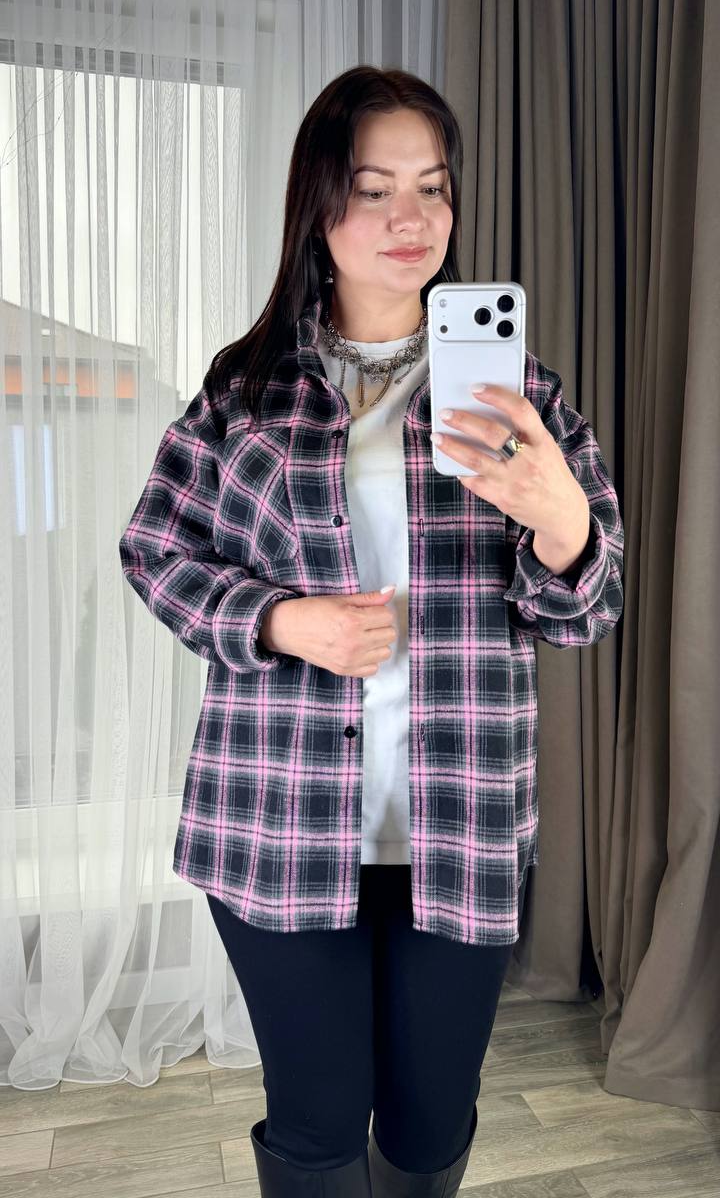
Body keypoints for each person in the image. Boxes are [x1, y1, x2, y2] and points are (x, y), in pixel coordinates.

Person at [119, 65, 624, 1197]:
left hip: (462, 820)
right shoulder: (245, 393)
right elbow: (154, 548)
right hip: (278, 816)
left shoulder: (521, 397)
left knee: (433, 1120)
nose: (412, 218)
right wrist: (281, 618)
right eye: (374, 188)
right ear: (320, 208)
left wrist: (561, 523)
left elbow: (587, 610)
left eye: (432, 188)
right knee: (315, 1120)